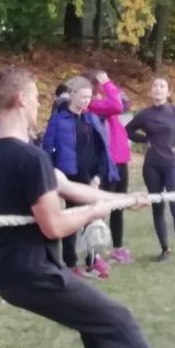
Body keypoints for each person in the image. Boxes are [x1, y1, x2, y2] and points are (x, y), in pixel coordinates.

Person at [0, 67, 175, 348]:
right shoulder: (30, 158)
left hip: (12, 267)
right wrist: (95, 212)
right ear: (22, 99)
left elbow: (66, 187)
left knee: (89, 310)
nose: (40, 104)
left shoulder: (2, 150)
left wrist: (121, 199)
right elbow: (54, 226)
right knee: (118, 319)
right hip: (29, 271)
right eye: (37, 97)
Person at [42, 76, 118, 279]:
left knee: (95, 218)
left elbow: (102, 150)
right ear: (72, 95)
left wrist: (98, 176)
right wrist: (52, 179)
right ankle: (70, 263)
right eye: (83, 97)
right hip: (70, 177)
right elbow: (47, 150)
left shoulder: (92, 119)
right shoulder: (58, 120)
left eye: (89, 97)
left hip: (93, 178)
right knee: (72, 220)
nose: (86, 101)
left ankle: (93, 260)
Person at [125, 77, 175, 264]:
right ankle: (165, 249)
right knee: (158, 206)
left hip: (173, 165)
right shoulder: (145, 114)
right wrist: (145, 140)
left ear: (168, 92)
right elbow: (128, 130)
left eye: (162, 86)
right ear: (150, 91)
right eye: (155, 86)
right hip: (152, 166)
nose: (158, 89)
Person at [87, 70, 135, 264]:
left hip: (121, 160)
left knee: (119, 206)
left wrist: (109, 85)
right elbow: (117, 104)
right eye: (99, 84)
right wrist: (107, 85)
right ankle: (95, 253)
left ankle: (117, 248)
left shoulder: (106, 103)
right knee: (102, 208)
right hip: (108, 162)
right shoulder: (92, 105)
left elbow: (125, 103)